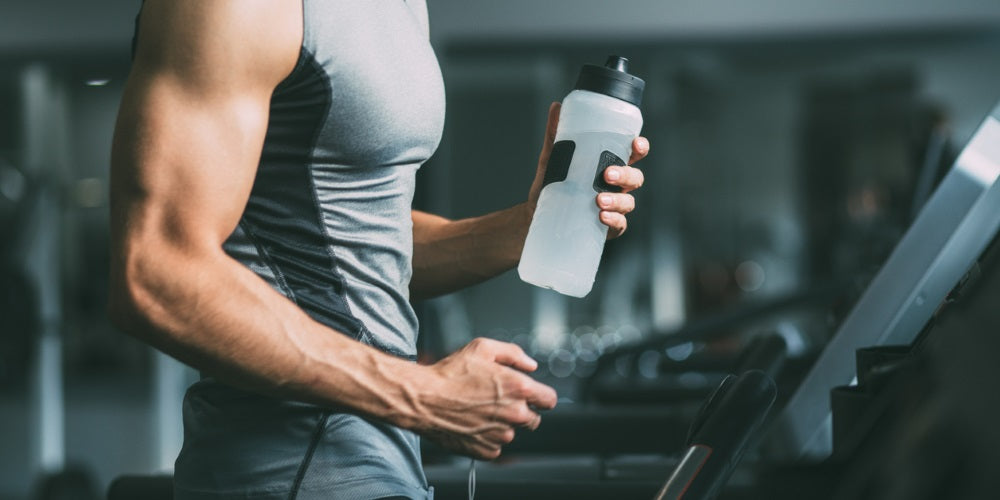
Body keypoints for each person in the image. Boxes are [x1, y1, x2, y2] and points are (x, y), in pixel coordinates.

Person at [107, 1, 649, 499]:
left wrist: (528, 227)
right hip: (290, 475)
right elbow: (156, 272)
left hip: (388, 471)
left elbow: (355, 246)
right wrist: (423, 394)